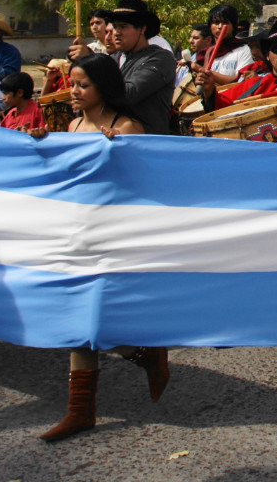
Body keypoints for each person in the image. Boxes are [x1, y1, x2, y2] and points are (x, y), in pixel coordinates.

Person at [30, 52, 165, 442]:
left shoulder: (127, 126)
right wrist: (42, 146)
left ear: (103, 88)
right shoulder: (71, 126)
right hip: (78, 235)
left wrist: (121, 152)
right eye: (72, 83)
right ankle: (132, 364)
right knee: (79, 322)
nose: (73, 91)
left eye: (82, 85)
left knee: (85, 321)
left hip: (113, 239)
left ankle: (134, 362)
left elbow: (142, 185)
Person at [99, 0, 178, 136]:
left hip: (147, 142)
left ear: (142, 29)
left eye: (123, 27)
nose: (116, 32)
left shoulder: (161, 59)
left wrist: (91, 68)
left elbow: (128, 93)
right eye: (115, 26)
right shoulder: (112, 59)